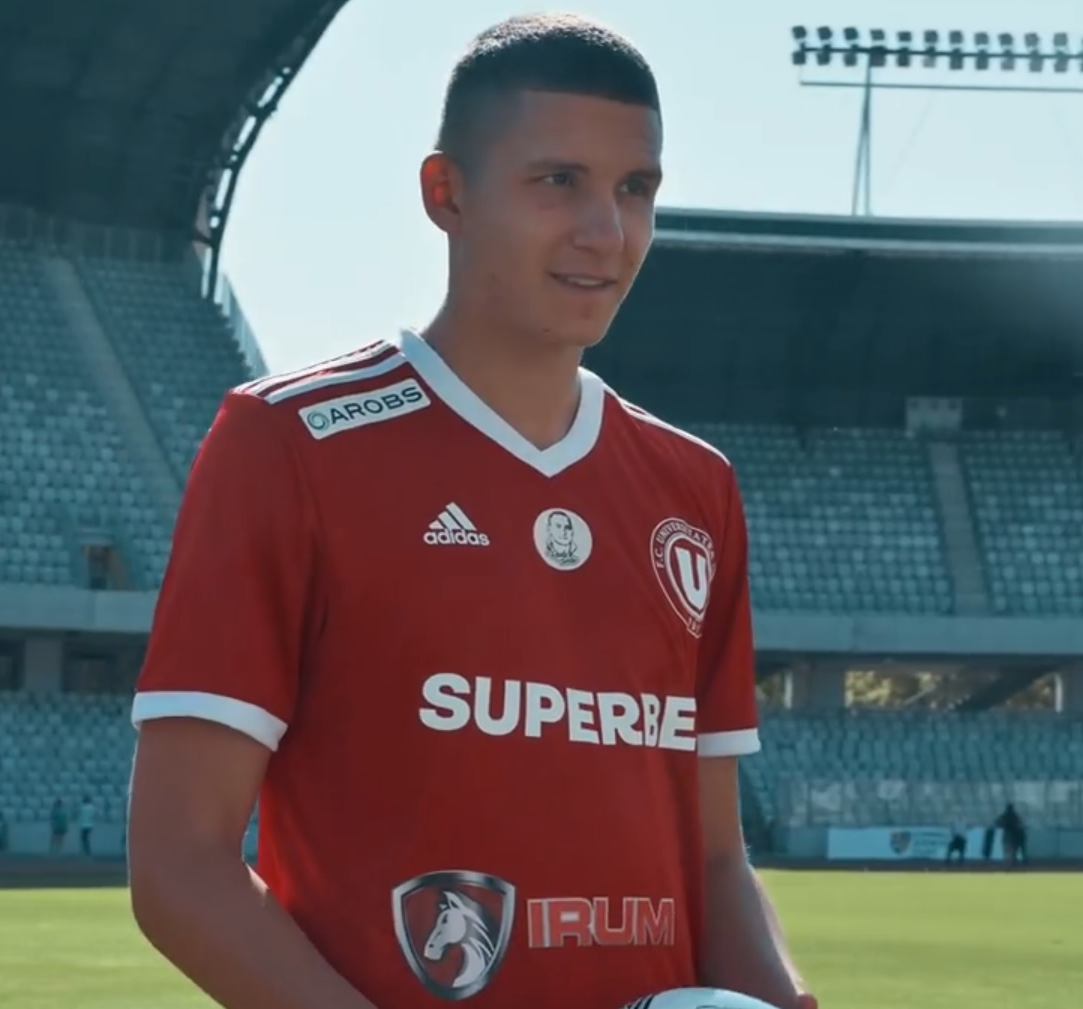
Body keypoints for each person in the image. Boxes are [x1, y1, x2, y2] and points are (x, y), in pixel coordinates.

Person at [124, 14, 813, 1009]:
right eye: (558, 181)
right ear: (446, 193)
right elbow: (180, 863)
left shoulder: (694, 489)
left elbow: (713, 861)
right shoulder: (290, 444)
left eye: (635, 189)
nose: (606, 232)